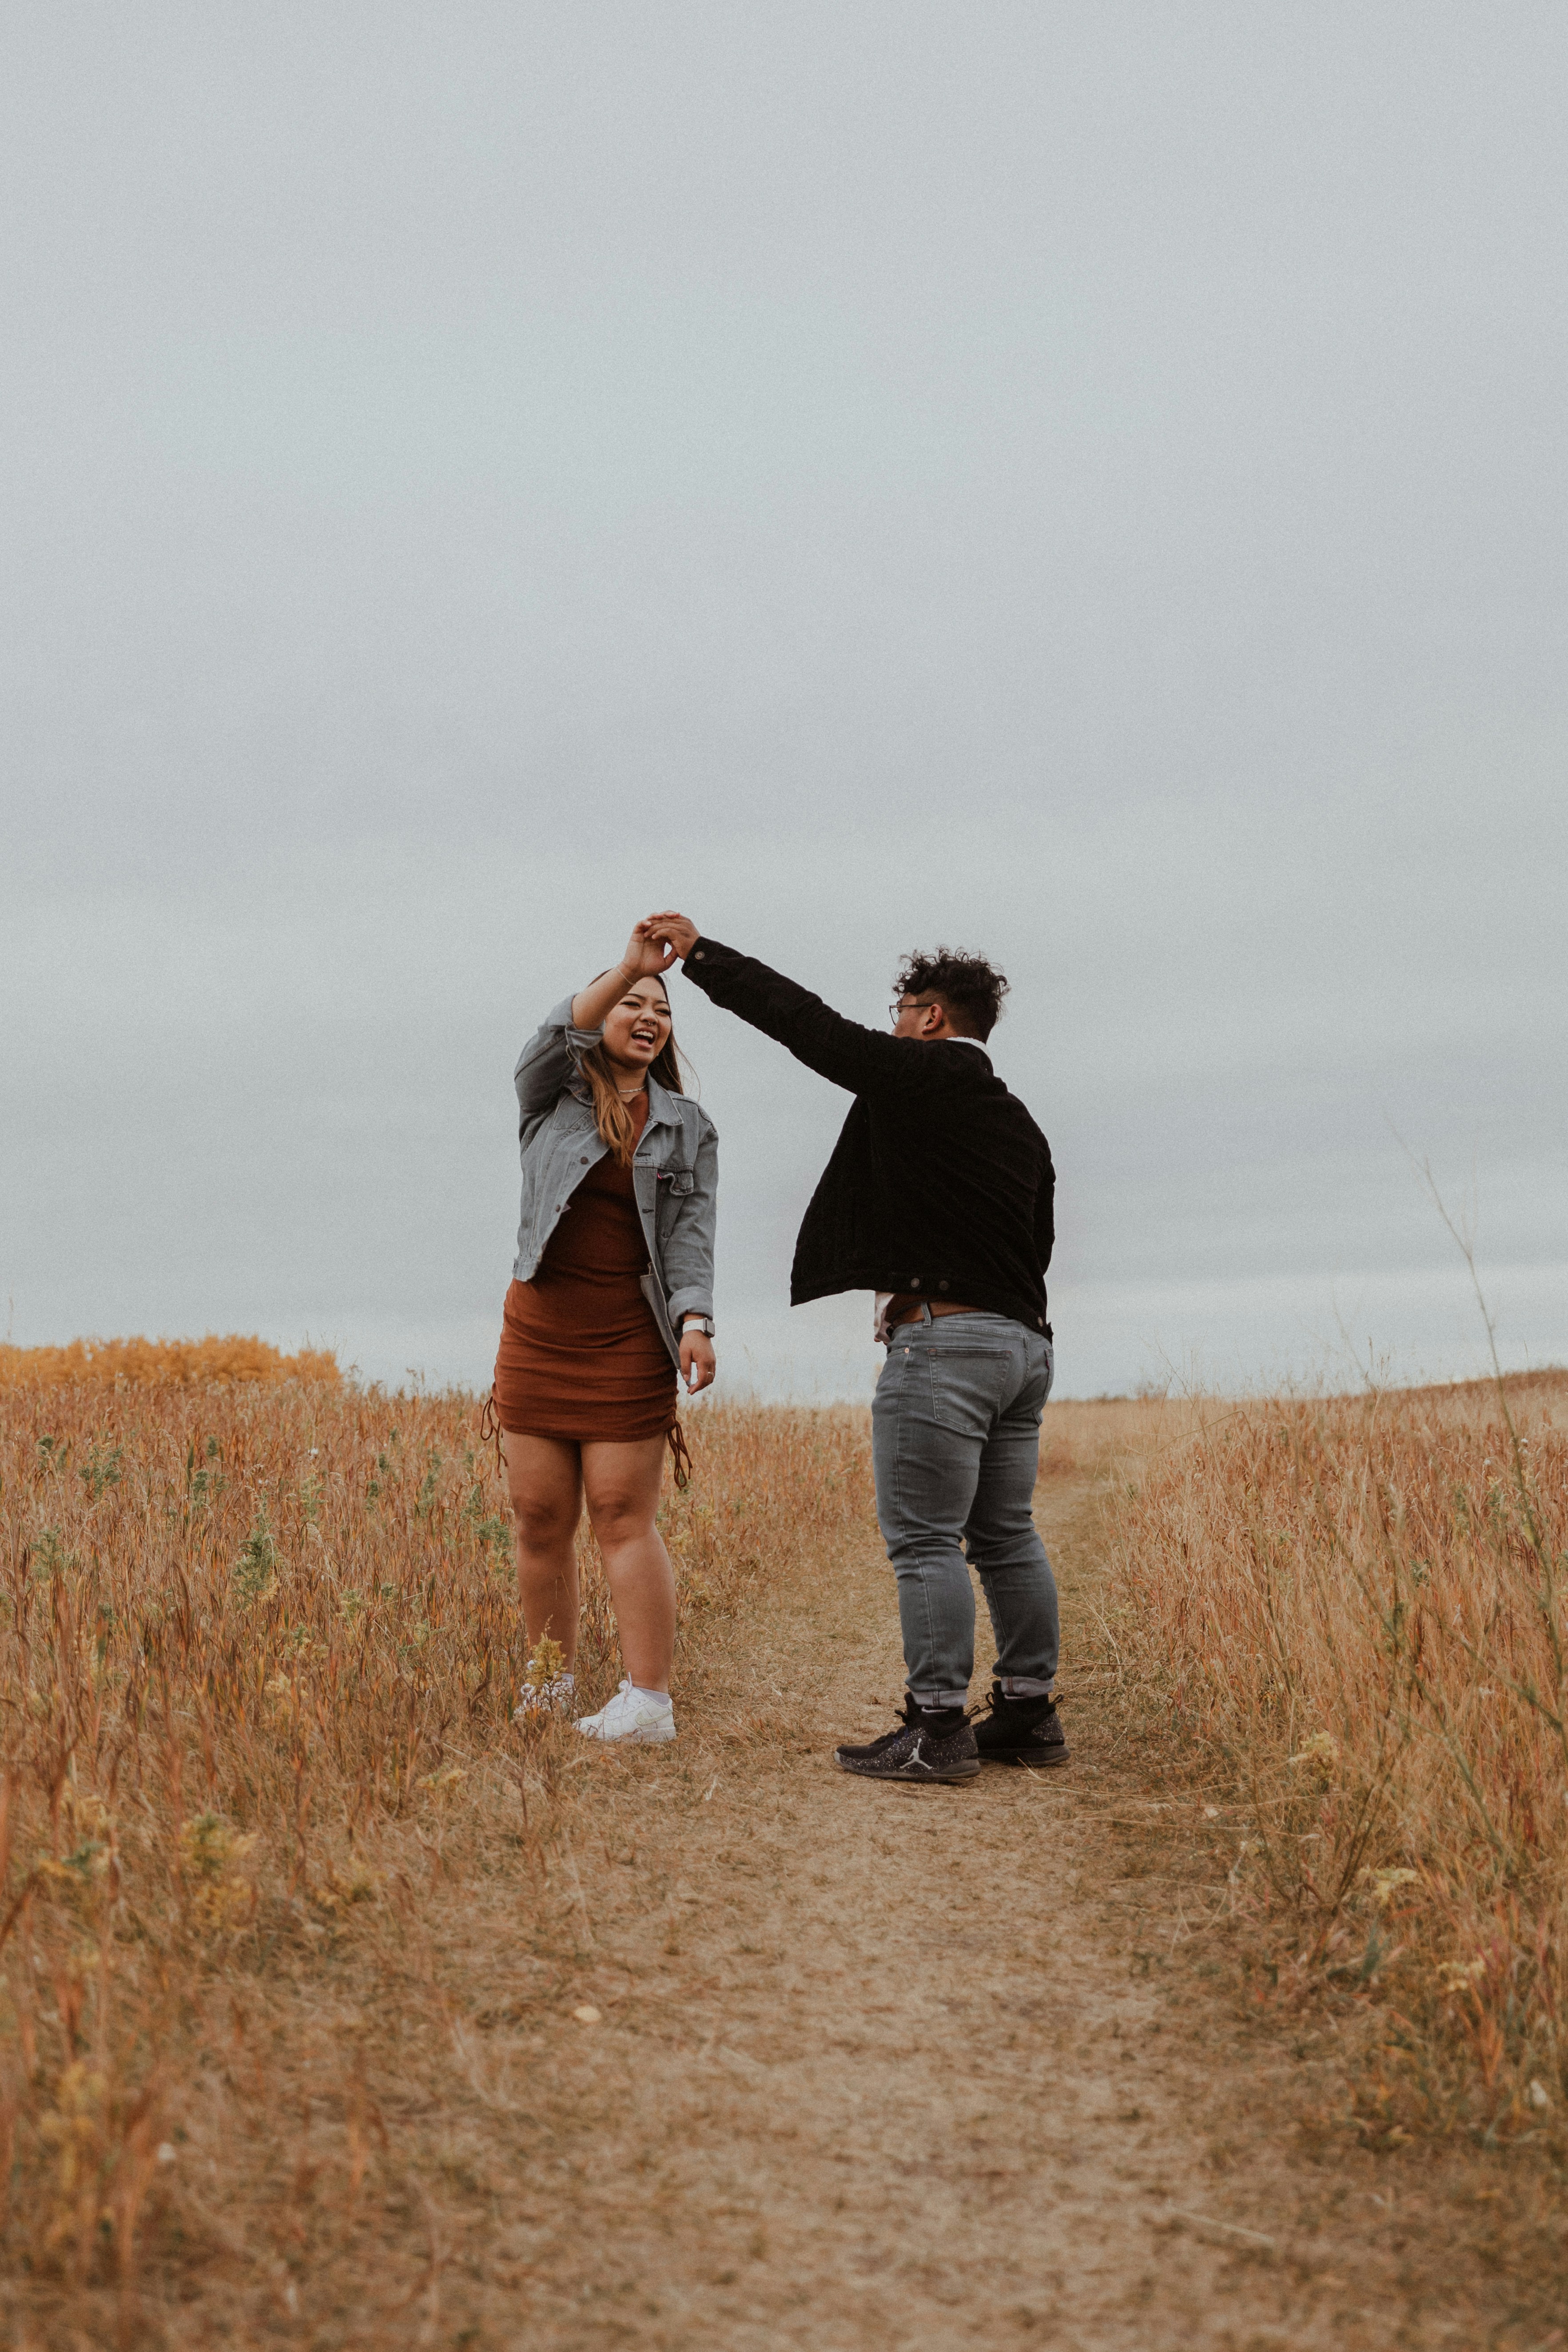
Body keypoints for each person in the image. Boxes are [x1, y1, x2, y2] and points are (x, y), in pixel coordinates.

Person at [646, 913, 1062, 1786]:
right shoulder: (1020, 1125)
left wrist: (703, 955)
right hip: (1023, 1345)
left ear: (933, 1019)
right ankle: (1027, 1710)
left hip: (943, 1344)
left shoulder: (918, 1077)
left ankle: (938, 1728)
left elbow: (808, 1026)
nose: (892, 1024)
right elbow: (1039, 1242)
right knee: (1005, 1533)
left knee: (924, 1539)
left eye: (902, 1009)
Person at [490, 922, 718, 1746]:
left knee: (622, 1514)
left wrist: (696, 1321)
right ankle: (548, 1687)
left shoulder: (687, 1125)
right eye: (631, 1002)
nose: (649, 1012)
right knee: (539, 1519)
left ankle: (646, 1702)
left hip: (629, 1339)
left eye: (661, 1006)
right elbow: (557, 1034)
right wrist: (632, 962)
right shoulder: (548, 1096)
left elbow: (691, 1235)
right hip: (540, 1334)